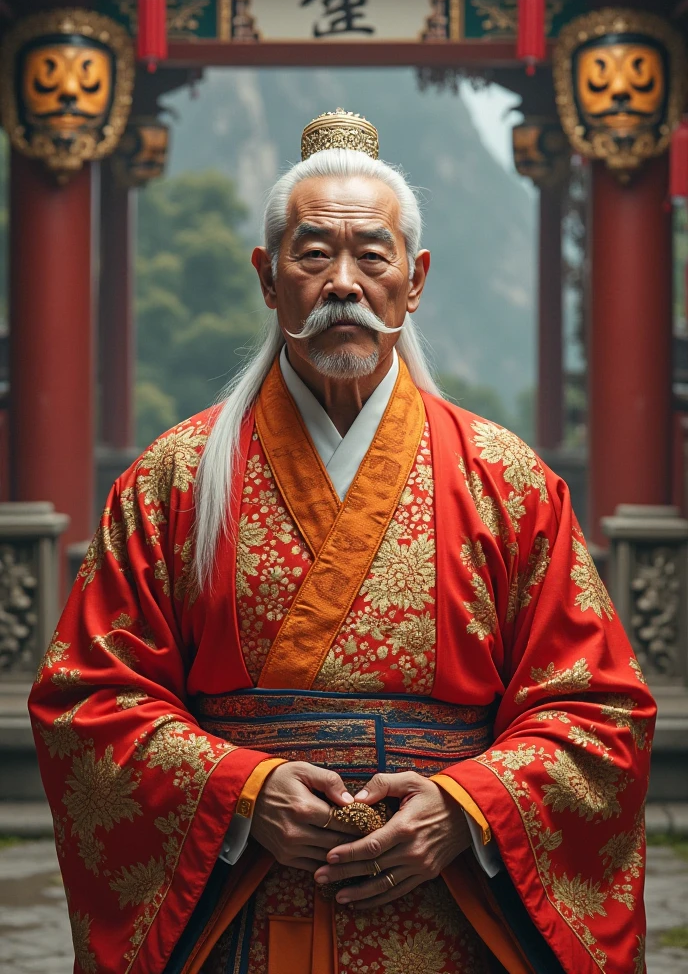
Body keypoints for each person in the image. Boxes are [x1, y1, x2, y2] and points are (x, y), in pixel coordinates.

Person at [29, 109, 655, 974]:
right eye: (314, 254)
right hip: (247, 914)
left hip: (448, 915)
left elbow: (598, 709)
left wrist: (466, 808)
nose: (344, 284)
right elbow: (89, 699)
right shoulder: (174, 480)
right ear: (267, 276)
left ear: (416, 279)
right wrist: (243, 792)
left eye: (373, 256)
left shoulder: (506, 482)